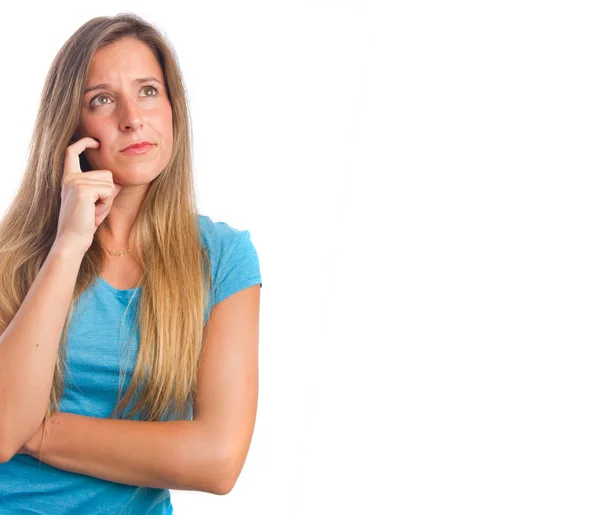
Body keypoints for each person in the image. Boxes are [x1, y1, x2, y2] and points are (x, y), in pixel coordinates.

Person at [0, 13, 262, 514]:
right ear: (70, 126)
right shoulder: (12, 256)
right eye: (102, 99)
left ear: (172, 109)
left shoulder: (223, 258)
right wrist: (67, 245)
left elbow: (218, 460)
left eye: (148, 91)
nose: (131, 118)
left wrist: (34, 431)